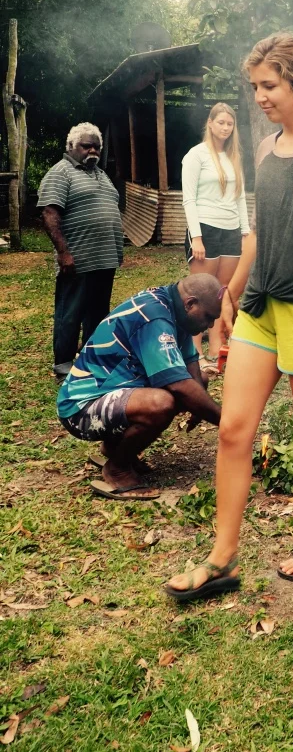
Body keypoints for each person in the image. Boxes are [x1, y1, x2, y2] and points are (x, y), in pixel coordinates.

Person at [165, 33, 293, 602]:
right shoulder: (268, 148)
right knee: (232, 428)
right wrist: (230, 298)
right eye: (254, 87)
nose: (259, 97)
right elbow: (257, 236)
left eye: (268, 85)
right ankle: (223, 559)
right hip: (261, 308)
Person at [57, 274, 223, 500]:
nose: (210, 325)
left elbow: (190, 364)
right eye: (208, 317)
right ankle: (118, 468)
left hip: (113, 395)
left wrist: (199, 403)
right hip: (80, 409)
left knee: (199, 382)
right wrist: (227, 422)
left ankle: (115, 447)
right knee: (162, 403)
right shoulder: (155, 317)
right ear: (190, 303)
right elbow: (179, 386)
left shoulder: (176, 311)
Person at [38, 123, 124, 382]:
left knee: (98, 312)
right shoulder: (61, 172)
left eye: (96, 146)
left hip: (104, 258)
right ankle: (63, 364)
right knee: (70, 312)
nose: (93, 150)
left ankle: (90, 359)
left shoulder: (101, 173)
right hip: (78, 258)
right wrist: (64, 253)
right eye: (86, 145)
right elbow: (49, 213)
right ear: (71, 147)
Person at [182, 102, 250, 373]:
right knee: (200, 291)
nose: (225, 127)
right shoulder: (196, 155)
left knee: (224, 291)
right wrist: (196, 237)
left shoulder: (234, 157)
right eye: (220, 122)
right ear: (210, 124)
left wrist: (244, 231)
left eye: (229, 124)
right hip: (205, 228)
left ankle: (217, 349)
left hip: (231, 229)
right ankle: (194, 351)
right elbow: (188, 199)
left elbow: (241, 196)